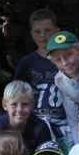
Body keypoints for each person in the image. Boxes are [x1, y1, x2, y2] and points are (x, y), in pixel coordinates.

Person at [13, 9, 65, 138]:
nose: (42, 35)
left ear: (57, 31)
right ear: (31, 34)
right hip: (36, 124)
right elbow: (17, 94)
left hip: (66, 122)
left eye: (47, 30)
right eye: (37, 31)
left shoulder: (67, 60)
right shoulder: (26, 63)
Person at [46, 31, 79, 147]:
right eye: (58, 60)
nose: (65, 63)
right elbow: (74, 120)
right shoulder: (60, 80)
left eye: (69, 55)